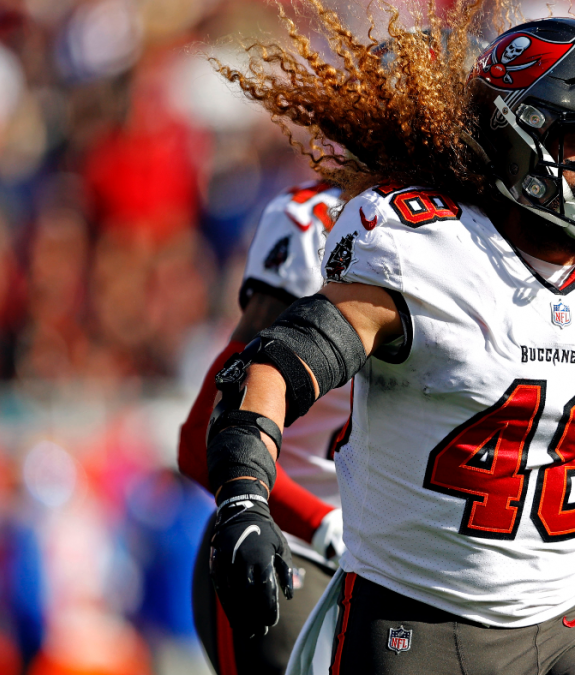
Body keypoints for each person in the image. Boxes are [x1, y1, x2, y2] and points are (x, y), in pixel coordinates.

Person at [205, 9, 575, 675]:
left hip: (557, 623)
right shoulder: (425, 251)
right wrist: (245, 496)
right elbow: (273, 366)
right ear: (519, 138)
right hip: (412, 619)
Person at [177, 180, 350, 674]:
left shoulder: (439, 226)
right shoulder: (313, 217)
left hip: (370, 555)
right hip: (281, 543)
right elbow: (198, 443)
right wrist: (319, 521)